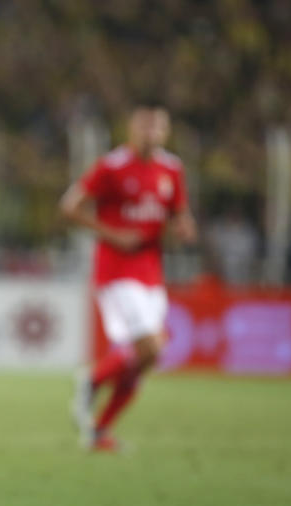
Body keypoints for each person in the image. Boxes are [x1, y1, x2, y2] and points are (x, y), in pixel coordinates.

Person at [60, 103, 197, 452]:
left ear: (165, 132)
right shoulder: (112, 166)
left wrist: (183, 226)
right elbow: (70, 206)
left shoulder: (172, 169)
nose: (151, 134)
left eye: (158, 128)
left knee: (149, 356)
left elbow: (178, 211)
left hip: (151, 272)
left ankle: (99, 426)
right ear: (132, 129)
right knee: (150, 345)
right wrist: (113, 234)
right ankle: (92, 382)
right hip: (116, 271)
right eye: (145, 127)